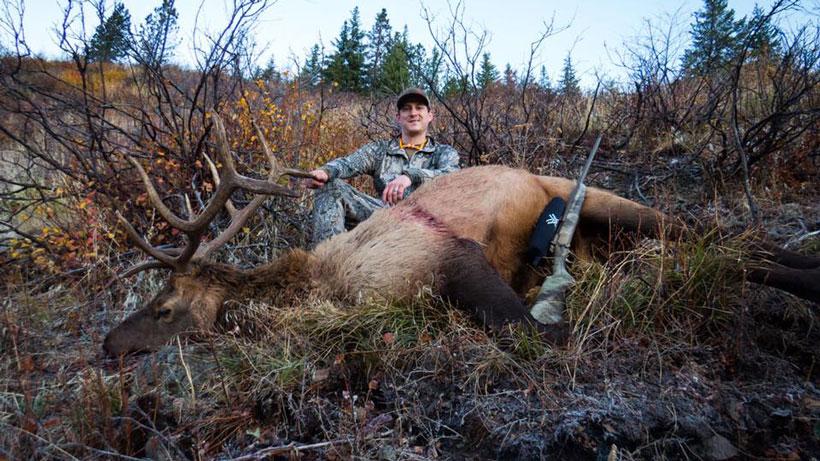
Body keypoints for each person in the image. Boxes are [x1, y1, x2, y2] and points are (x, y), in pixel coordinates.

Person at [306, 88, 460, 246]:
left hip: (427, 224)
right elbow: (348, 163)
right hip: (384, 219)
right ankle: (326, 258)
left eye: (419, 108)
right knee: (330, 186)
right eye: (406, 109)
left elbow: (453, 177)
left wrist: (411, 176)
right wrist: (325, 172)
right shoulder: (380, 150)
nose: (413, 113)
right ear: (398, 118)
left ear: (430, 116)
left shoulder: (444, 153)